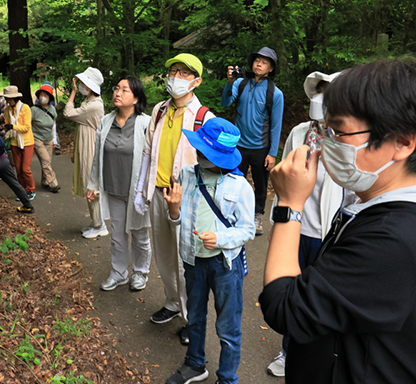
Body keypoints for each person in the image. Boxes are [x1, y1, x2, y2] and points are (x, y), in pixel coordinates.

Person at [260, 58, 416, 384]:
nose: (326, 142)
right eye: (324, 129)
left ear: (402, 141)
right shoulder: (370, 203)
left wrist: (288, 204)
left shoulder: (393, 240)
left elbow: (285, 308)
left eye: (339, 131)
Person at [266, 71, 356, 378]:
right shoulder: (299, 132)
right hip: (297, 227)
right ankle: (287, 350)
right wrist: (276, 221)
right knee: (289, 288)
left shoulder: (348, 139)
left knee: (316, 297)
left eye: (328, 92)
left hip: (326, 232)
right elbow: (283, 176)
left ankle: (314, 352)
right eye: (319, 91)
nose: (321, 98)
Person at [164, 117, 255, 384]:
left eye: (207, 152)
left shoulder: (240, 187)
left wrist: (221, 237)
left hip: (225, 265)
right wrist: (173, 209)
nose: (201, 155)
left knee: (228, 327)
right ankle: (194, 363)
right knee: (195, 316)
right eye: (200, 150)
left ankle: (227, 377)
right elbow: (178, 219)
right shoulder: (188, 175)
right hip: (193, 260)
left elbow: (247, 230)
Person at [134, 53, 214, 344]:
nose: (176, 77)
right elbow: (147, 152)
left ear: (196, 81)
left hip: (186, 200)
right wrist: (141, 190)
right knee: (164, 255)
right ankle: (172, 302)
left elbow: (212, 164)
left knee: (186, 262)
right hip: (158, 192)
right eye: (174, 71)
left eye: (184, 73)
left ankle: (193, 319)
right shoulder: (159, 110)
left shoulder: (204, 117)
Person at [86, 76, 152, 291]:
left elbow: (153, 159)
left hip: (138, 190)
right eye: (117, 88)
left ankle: (141, 273)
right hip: (113, 187)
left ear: (136, 98)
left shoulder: (146, 123)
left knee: (140, 234)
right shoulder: (106, 121)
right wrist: (93, 184)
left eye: (125, 90)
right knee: (117, 235)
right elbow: (97, 155)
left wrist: (150, 189)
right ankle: (119, 272)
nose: (117, 93)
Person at [220, 47, 284, 235]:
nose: (259, 63)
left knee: (260, 184)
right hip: (238, 145)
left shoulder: (275, 93)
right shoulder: (240, 83)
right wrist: (229, 82)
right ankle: (232, 215)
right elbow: (225, 102)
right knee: (233, 180)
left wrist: (272, 153)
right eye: (257, 60)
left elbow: (276, 125)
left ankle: (257, 215)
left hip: (260, 147)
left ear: (270, 68)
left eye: (264, 62)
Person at [64, 67, 105, 239]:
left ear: (89, 86)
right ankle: (96, 222)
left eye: (82, 83)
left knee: (92, 188)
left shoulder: (94, 106)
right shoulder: (89, 103)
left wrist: (72, 92)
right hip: (85, 147)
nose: (80, 85)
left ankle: (100, 225)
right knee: (89, 185)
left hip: (91, 148)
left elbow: (67, 113)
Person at [3, 85, 36, 201]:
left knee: (25, 169)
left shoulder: (25, 108)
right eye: (6, 98)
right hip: (14, 142)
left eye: (9, 98)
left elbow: (26, 127)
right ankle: (22, 190)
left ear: (14, 98)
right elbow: (8, 123)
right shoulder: (7, 110)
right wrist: (5, 127)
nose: (7, 100)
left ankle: (31, 189)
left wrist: (12, 126)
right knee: (18, 169)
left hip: (26, 142)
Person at [31, 84, 60, 193]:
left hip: (49, 139)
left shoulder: (52, 109)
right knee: (46, 160)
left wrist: (55, 140)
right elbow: (28, 125)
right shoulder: (33, 110)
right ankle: (53, 183)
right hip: (37, 138)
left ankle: (45, 182)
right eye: (41, 95)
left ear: (49, 98)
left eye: (45, 95)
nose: (43, 97)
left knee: (47, 162)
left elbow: (53, 125)